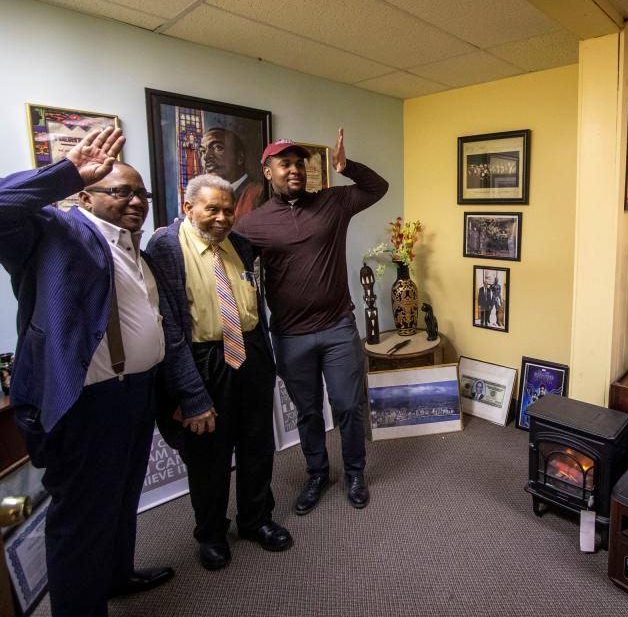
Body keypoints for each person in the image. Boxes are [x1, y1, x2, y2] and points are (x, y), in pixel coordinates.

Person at [0, 128, 176, 616]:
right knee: (79, 521)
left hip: (136, 394)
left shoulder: (134, 249)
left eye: (141, 193)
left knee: (121, 500)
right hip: (86, 402)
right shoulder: (54, 233)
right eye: (121, 191)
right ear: (84, 195)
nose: (136, 201)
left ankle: (117, 575)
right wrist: (63, 173)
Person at [234, 130, 388, 514]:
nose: (295, 170)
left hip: (337, 328)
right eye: (285, 164)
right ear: (267, 171)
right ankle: (317, 473)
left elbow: (377, 187)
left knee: (348, 406)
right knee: (307, 411)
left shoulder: (332, 203)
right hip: (289, 335)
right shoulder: (251, 224)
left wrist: (345, 166)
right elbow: (226, 263)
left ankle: (354, 472)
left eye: (300, 164)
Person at [146, 174, 291, 571]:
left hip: (250, 356)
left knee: (258, 447)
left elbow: (251, 302)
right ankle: (210, 533)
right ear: (188, 207)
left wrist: (267, 361)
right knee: (208, 456)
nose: (223, 217)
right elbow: (170, 328)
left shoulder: (240, 244)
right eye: (213, 209)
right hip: (203, 360)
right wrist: (190, 393)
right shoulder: (165, 246)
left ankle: (256, 520)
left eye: (228, 210)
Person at [200, 127, 264, 219]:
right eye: (202, 151)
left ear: (240, 158)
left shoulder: (258, 194)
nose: (206, 157)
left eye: (218, 148)